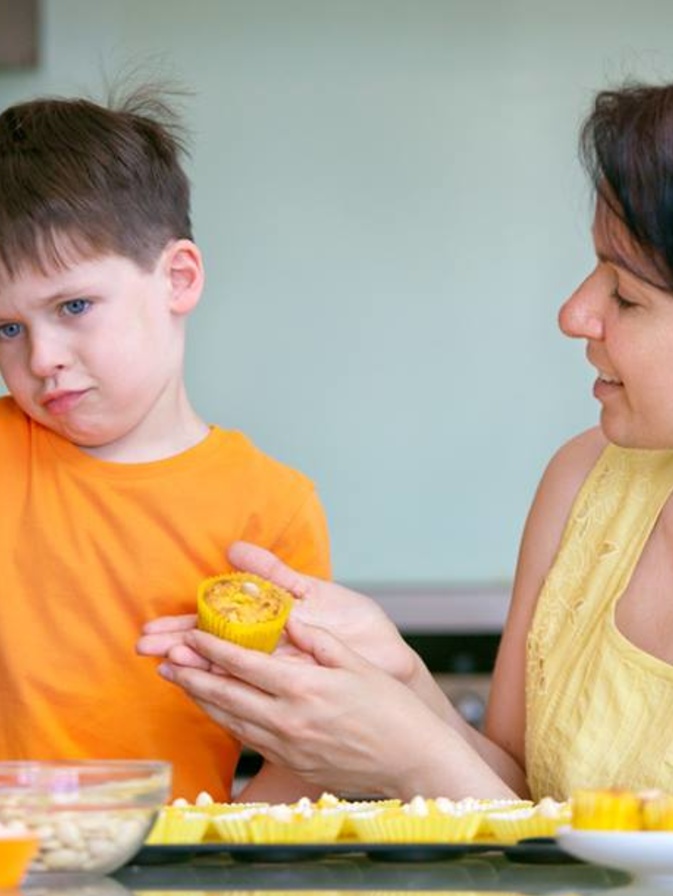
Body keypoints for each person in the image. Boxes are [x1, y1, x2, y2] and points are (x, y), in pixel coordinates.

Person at [138, 78, 673, 802]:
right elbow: (521, 797)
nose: (574, 313)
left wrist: (414, 761)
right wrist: (401, 680)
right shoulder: (582, 480)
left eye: (626, 294)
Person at [0, 86, 331, 803]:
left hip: (174, 894)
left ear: (177, 279)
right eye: (8, 329)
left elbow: (306, 745)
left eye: (73, 307)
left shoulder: (269, 507)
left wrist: (218, 864)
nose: (41, 357)